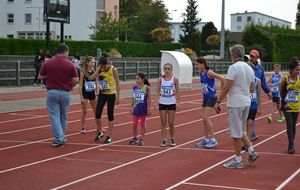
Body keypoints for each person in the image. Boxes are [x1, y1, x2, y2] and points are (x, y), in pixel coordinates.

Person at [215, 44, 259, 169]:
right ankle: (251, 151)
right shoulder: (249, 68)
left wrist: (218, 102)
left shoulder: (233, 68)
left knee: (235, 132)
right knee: (242, 130)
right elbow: (252, 87)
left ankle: (238, 159)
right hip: (246, 102)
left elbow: (227, 87)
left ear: (233, 55)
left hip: (236, 103)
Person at [38, 43, 78, 147]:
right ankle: (61, 136)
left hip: (52, 92)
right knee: (63, 116)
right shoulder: (70, 64)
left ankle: (59, 138)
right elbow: (75, 80)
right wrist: (70, 86)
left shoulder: (48, 62)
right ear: (65, 51)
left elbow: (40, 76)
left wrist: (50, 75)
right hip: (65, 92)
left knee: (54, 116)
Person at [194, 57, 225, 149]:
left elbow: (222, 78)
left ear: (203, 64)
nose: (196, 66)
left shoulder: (209, 72)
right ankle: (206, 139)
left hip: (212, 97)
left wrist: (221, 94)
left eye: (197, 64)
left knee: (206, 118)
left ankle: (213, 139)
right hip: (205, 97)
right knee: (204, 119)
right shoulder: (201, 73)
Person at [94, 56, 120, 144]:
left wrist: (118, 97)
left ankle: (108, 136)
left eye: (104, 67)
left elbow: (117, 83)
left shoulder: (113, 70)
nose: (103, 68)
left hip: (111, 94)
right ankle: (100, 131)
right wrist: (85, 71)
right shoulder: (99, 69)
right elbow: (92, 77)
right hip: (102, 93)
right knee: (97, 113)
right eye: (101, 66)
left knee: (110, 115)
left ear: (107, 64)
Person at [154, 63, 180, 147]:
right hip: (162, 103)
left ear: (172, 70)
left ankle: (172, 138)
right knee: (163, 122)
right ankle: (164, 139)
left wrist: (178, 102)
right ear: (163, 70)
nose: (167, 70)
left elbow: (178, 91)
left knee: (171, 122)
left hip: (172, 103)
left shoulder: (175, 79)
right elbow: (157, 91)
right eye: (166, 69)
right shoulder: (160, 79)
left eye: (169, 69)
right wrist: (156, 102)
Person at [249, 49, 271, 141]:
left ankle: (252, 133)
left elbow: (263, 83)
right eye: (250, 56)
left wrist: (268, 92)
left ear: (257, 58)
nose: (251, 58)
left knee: (251, 115)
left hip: (255, 95)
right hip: (246, 93)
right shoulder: (247, 66)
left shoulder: (260, 69)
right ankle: (248, 132)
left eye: (253, 56)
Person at [280, 58, 300, 154]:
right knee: (289, 124)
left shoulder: (299, 80)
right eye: (296, 69)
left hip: (296, 106)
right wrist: (283, 102)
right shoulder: (285, 79)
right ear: (292, 70)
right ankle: (291, 145)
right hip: (287, 105)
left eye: (299, 70)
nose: (298, 71)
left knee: (293, 126)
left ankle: (290, 143)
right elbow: (281, 91)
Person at [129, 73, 151, 146]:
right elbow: (133, 98)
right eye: (136, 78)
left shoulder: (147, 88)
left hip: (143, 109)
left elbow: (149, 100)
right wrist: (131, 107)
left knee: (142, 124)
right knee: (134, 124)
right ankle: (135, 138)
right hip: (136, 108)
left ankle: (141, 138)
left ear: (142, 79)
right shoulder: (134, 87)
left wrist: (149, 109)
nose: (137, 80)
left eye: (138, 78)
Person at [79, 56, 97, 134]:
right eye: (92, 62)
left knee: (96, 111)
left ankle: (99, 127)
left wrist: (98, 93)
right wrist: (81, 97)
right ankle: (83, 128)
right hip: (85, 93)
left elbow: (97, 83)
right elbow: (80, 86)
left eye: (94, 62)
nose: (93, 63)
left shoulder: (94, 71)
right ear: (87, 63)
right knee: (85, 111)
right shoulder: (83, 72)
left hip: (92, 93)